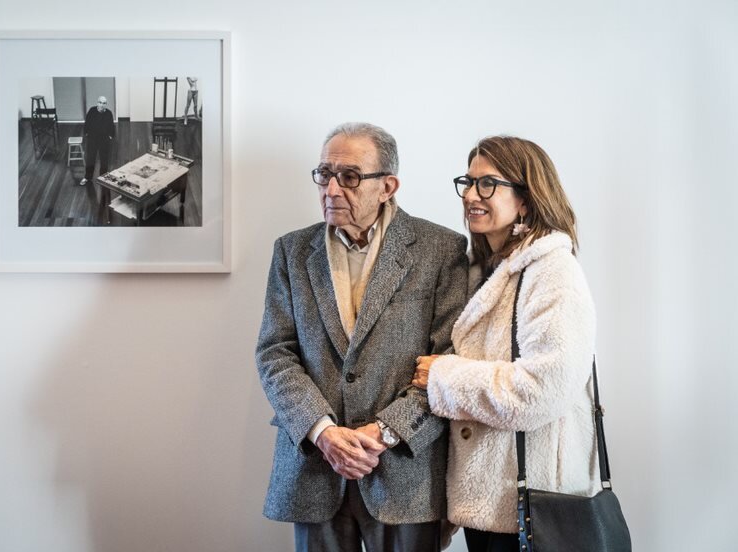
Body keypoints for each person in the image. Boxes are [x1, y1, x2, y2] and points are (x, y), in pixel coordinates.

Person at [256, 122, 468, 552]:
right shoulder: (291, 251)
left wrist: (383, 433)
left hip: (404, 474)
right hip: (315, 468)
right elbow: (276, 352)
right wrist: (322, 432)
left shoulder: (441, 250)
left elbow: (450, 361)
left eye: (349, 176)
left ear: (387, 186)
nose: (332, 189)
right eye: (324, 174)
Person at [412, 136, 600, 552]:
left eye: (488, 184)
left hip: (535, 507)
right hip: (492, 503)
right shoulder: (485, 271)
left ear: (526, 200)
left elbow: (542, 389)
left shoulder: (552, 272)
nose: (471, 196)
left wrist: (443, 377)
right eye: (468, 182)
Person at [80, 96, 115, 186]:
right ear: (97, 103)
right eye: (100, 102)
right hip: (93, 139)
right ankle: (87, 177)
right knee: (90, 158)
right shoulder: (92, 111)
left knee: (104, 159)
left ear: (106, 104)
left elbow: (111, 125)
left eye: (104, 103)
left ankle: (103, 178)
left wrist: (110, 136)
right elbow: (87, 123)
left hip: (104, 139)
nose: (102, 105)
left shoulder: (109, 113)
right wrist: (86, 133)